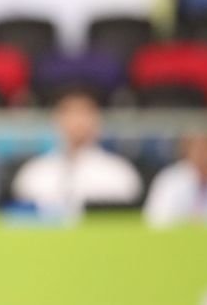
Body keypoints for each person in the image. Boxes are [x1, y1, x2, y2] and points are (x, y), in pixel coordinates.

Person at [11, 90, 142, 218]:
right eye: (69, 113)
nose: (77, 121)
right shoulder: (32, 173)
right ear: (56, 119)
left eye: (84, 113)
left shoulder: (120, 173)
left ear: (98, 119)